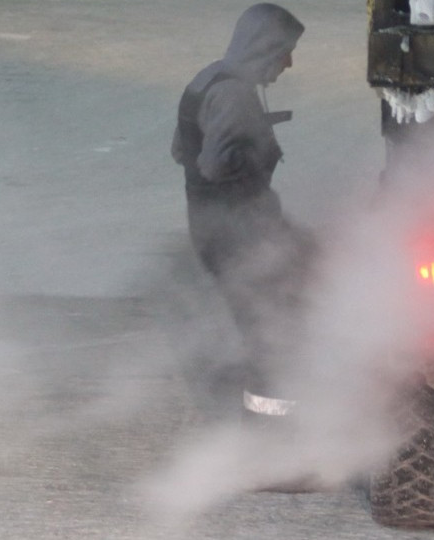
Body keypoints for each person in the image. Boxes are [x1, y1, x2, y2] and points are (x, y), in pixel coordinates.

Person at [171, 4, 312, 426]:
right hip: (237, 234)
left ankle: (256, 420)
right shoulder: (233, 95)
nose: (288, 62)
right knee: (271, 324)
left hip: (214, 229)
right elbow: (214, 165)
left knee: (260, 317)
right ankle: (270, 430)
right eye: (284, 51)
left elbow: (181, 150)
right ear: (264, 47)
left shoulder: (208, 78)